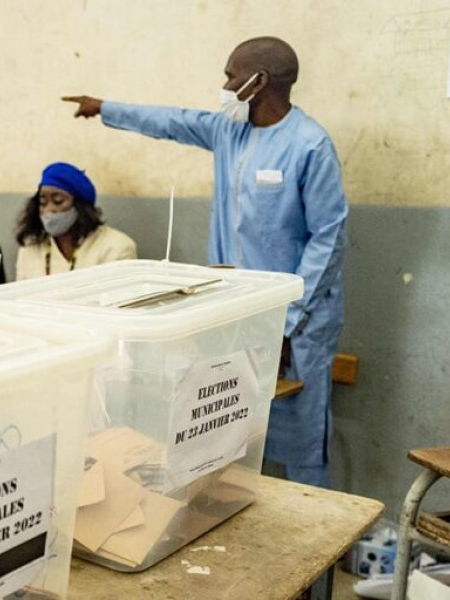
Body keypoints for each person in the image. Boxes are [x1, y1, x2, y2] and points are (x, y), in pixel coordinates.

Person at [63, 36, 347, 488]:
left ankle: (322, 544)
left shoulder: (309, 146)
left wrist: (288, 319)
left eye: (231, 74)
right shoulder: (227, 131)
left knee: (300, 437)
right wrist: (105, 108)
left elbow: (328, 239)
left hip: (299, 322)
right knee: (226, 426)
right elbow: (171, 121)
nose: (224, 83)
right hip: (234, 313)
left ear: (259, 82)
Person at [14, 162, 137, 280]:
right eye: (43, 202)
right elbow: (16, 299)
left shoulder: (116, 247)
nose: (49, 209)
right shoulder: (30, 248)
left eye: (58, 201)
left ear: (80, 206)